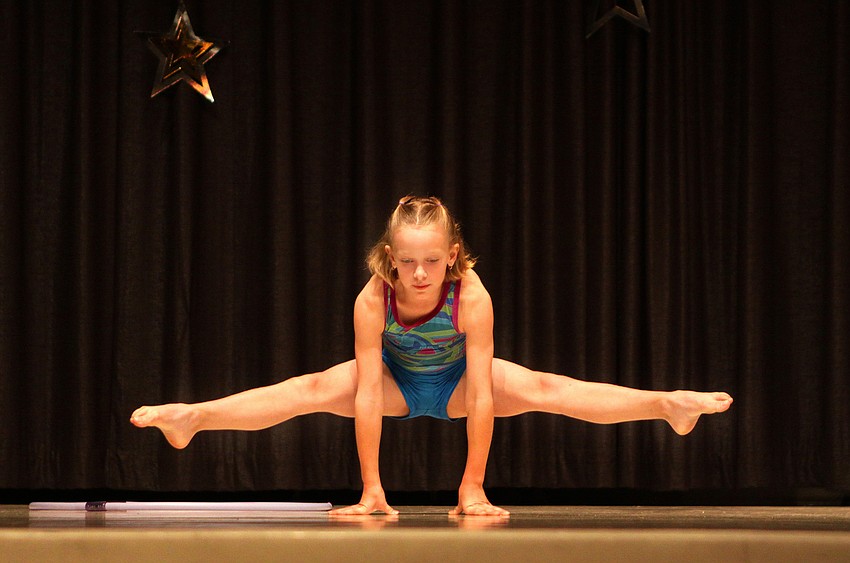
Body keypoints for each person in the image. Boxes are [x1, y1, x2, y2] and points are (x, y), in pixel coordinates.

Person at [131, 195, 733, 517]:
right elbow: (366, 392)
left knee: (548, 388)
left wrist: (471, 488)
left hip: (459, 382)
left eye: (432, 260)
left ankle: (666, 404)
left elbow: (484, 393)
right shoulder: (374, 297)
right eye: (408, 261)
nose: (419, 274)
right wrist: (372, 489)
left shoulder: (471, 296)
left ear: (453, 255)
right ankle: (194, 416)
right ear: (391, 255)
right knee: (312, 388)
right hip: (394, 382)